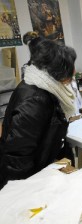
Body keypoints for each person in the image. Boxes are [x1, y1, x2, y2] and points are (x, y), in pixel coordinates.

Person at [0, 31, 77, 190]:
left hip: (46, 166)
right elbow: (17, 155)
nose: (73, 74)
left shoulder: (45, 87)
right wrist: (27, 192)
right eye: (70, 72)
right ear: (56, 73)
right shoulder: (35, 100)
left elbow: (51, 130)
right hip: (31, 179)